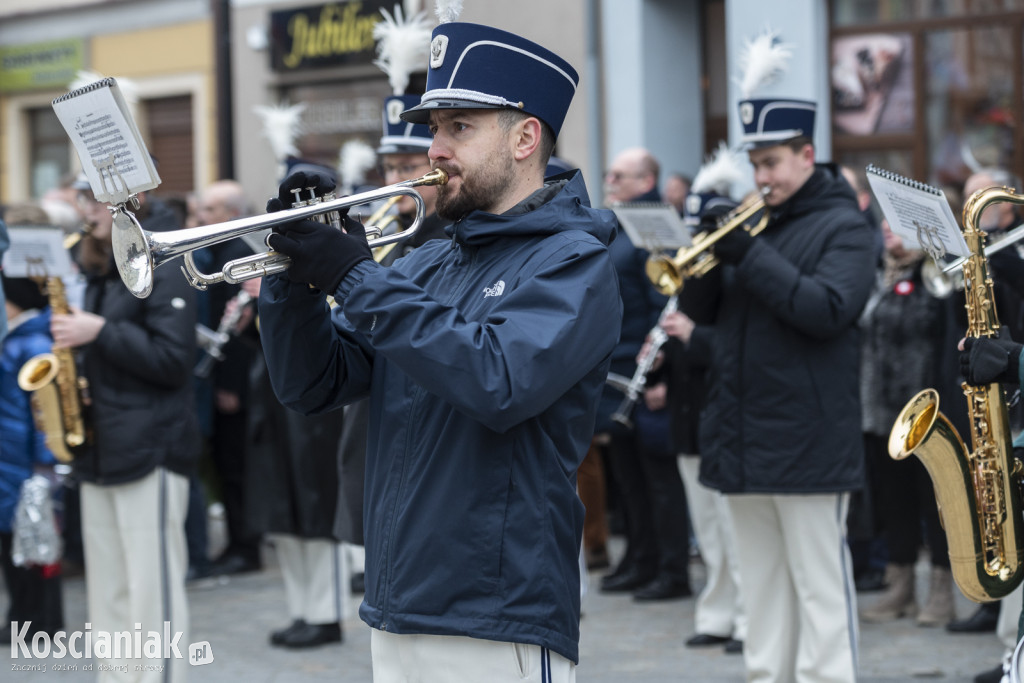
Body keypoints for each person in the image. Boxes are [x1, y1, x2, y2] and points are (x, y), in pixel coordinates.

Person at [256, 16, 621, 681]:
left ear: (524, 137)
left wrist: (354, 274)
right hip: (398, 602)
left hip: (497, 609)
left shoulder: (574, 262)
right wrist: (294, 282)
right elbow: (311, 384)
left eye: (459, 127)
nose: (436, 150)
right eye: (433, 129)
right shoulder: (432, 263)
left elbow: (497, 378)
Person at [670, 93, 876, 680]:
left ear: (807, 155)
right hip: (741, 435)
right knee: (759, 593)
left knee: (820, 591)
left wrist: (750, 254)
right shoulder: (755, 224)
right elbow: (707, 319)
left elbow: (829, 310)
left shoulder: (846, 227)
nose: (761, 178)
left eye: (773, 163)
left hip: (809, 440)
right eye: (755, 164)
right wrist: (700, 261)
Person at [56, 181, 199, 683]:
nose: (85, 211)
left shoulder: (161, 259)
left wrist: (100, 332)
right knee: (111, 589)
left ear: (126, 205)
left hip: (150, 447)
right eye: (81, 200)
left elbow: (174, 359)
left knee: (150, 589)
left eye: (94, 200)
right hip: (101, 446)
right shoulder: (95, 265)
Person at [595, 147, 692, 602]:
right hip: (616, 369)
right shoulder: (619, 222)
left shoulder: (655, 225)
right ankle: (639, 556)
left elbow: (666, 303)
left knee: (658, 478)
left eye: (620, 174)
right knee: (628, 476)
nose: (610, 180)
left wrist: (660, 375)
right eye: (610, 173)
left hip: (646, 368)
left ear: (646, 180)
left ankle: (671, 569)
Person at [857, 219, 962, 628]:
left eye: (895, 225)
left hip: (925, 415)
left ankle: (940, 590)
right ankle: (899, 587)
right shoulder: (879, 274)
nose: (886, 231)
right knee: (893, 501)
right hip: (880, 412)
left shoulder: (934, 275)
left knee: (933, 504)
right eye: (882, 224)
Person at [191, 180, 262, 578]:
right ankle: (239, 542)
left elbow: (237, 329)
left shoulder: (235, 254)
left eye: (209, 211)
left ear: (230, 214)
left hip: (232, 379)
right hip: (221, 375)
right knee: (227, 463)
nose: (201, 218)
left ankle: (244, 544)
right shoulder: (223, 251)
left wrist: (230, 385)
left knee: (236, 467)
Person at [0, 272, 63, 643]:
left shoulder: (34, 343)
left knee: (33, 542)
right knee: (15, 543)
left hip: (26, 465)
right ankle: (22, 617)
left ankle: (39, 621)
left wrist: (44, 465)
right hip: (11, 460)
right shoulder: (16, 340)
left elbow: (45, 411)